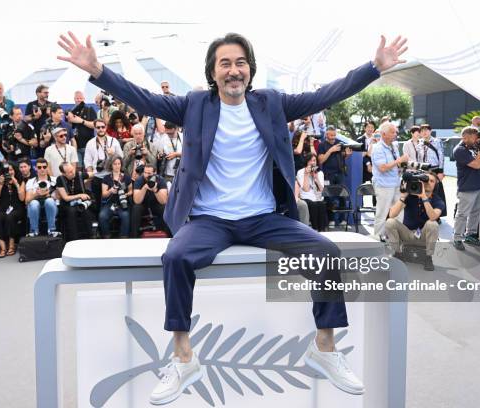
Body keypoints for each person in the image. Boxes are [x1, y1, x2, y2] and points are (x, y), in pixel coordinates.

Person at [59, 30, 407, 401]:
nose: (233, 70)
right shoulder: (194, 105)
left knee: (325, 253)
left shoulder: (271, 103)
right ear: (213, 72)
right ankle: (183, 356)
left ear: (250, 70)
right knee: (175, 257)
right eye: (224, 63)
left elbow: (326, 94)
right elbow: (143, 98)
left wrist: (374, 68)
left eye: (240, 62)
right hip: (210, 220)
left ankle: (324, 347)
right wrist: (98, 70)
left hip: (263, 217)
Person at [386, 171, 443, 271]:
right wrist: (403, 196)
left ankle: (428, 257)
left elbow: (433, 217)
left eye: (432, 181)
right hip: (407, 235)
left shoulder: (438, 200)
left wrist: (424, 197)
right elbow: (392, 214)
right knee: (390, 222)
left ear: (436, 185)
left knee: (432, 223)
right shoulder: (410, 196)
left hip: (424, 237)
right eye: (426, 180)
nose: (428, 182)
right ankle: (398, 254)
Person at [452, 126, 480, 250]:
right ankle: (457, 238)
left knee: (476, 212)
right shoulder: (459, 150)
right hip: (467, 188)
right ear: (465, 137)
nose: (477, 139)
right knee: (462, 214)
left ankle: (470, 235)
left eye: (477, 137)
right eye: (474, 137)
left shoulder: (477, 146)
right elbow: (476, 165)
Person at [371, 122, 409, 240]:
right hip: (383, 185)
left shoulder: (394, 146)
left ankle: (396, 234)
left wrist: (401, 166)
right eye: (392, 132)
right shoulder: (377, 148)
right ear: (383, 134)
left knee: (398, 210)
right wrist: (399, 161)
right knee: (382, 212)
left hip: (396, 182)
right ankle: (378, 236)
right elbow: (382, 168)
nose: (395, 134)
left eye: (395, 132)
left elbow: (395, 165)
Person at [317, 126, 352, 226]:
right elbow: (321, 160)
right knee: (329, 197)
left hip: (340, 173)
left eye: (334, 135)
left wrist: (347, 154)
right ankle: (331, 220)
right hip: (328, 174)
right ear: (326, 135)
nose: (333, 137)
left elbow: (343, 156)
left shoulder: (340, 144)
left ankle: (343, 220)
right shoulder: (322, 145)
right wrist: (331, 150)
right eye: (331, 135)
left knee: (342, 196)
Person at [0, 162, 26, 257]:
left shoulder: (20, 181)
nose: (9, 172)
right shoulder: (0, 182)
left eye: (11, 170)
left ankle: (11, 246)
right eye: (6, 170)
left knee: (10, 217)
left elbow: (22, 198)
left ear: (14, 170)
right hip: (3, 208)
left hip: (17, 208)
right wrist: (0, 184)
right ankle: (3, 248)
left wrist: (16, 184)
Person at [55, 162, 93, 241]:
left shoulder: (79, 175)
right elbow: (65, 198)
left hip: (80, 203)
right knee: (71, 212)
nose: (73, 173)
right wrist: (79, 195)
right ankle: (73, 239)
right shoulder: (60, 179)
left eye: (72, 170)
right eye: (70, 172)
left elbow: (92, 174)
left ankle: (90, 237)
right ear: (64, 174)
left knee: (86, 212)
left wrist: (86, 180)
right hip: (67, 204)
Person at [99, 156, 133, 238]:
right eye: (115, 164)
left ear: (121, 165)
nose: (117, 166)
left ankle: (123, 237)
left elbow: (131, 191)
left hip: (122, 203)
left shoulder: (126, 177)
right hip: (110, 203)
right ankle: (106, 236)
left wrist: (126, 194)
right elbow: (104, 194)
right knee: (102, 216)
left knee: (125, 216)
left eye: (119, 164)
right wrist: (110, 190)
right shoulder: (106, 178)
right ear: (111, 165)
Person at [131, 164, 168, 237]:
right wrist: (144, 188)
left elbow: (164, 201)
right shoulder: (139, 180)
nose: (146, 175)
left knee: (164, 208)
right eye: (145, 172)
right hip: (143, 205)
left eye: (149, 173)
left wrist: (155, 190)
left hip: (156, 204)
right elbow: (137, 201)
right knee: (136, 208)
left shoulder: (161, 180)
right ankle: (134, 236)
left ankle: (167, 234)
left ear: (154, 173)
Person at [25, 158, 60, 237]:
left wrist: (50, 194)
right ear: (36, 168)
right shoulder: (31, 181)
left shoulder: (54, 180)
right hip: (35, 206)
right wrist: (36, 194)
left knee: (49, 201)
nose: (42, 169)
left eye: (44, 167)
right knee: (33, 203)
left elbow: (60, 197)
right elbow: (26, 201)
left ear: (47, 168)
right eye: (39, 167)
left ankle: (52, 229)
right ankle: (34, 231)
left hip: (52, 206)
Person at [418, 124, 446, 216]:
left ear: (430, 131)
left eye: (426, 130)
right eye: (422, 131)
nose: (424, 132)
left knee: (436, 192)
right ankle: (425, 213)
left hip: (435, 169)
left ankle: (437, 214)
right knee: (424, 191)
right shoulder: (420, 142)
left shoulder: (437, 141)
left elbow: (441, 156)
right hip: (423, 170)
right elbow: (419, 158)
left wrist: (441, 171)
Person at [295, 154, 328, 231]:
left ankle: (321, 230)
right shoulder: (301, 172)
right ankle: (314, 229)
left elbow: (321, 190)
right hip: (305, 197)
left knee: (321, 204)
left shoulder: (320, 173)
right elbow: (306, 189)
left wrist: (316, 178)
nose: (312, 163)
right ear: (307, 162)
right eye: (310, 161)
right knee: (313, 205)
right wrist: (306, 174)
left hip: (317, 197)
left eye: (314, 160)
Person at [67, 91, 97, 165]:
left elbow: (95, 125)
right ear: (74, 99)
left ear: (84, 99)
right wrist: (69, 121)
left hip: (89, 145)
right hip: (76, 146)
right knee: (78, 168)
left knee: (89, 167)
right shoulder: (71, 111)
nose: (79, 100)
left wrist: (81, 121)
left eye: (80, 98)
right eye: (77, 98)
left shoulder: (90, 109)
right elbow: (69, 128)